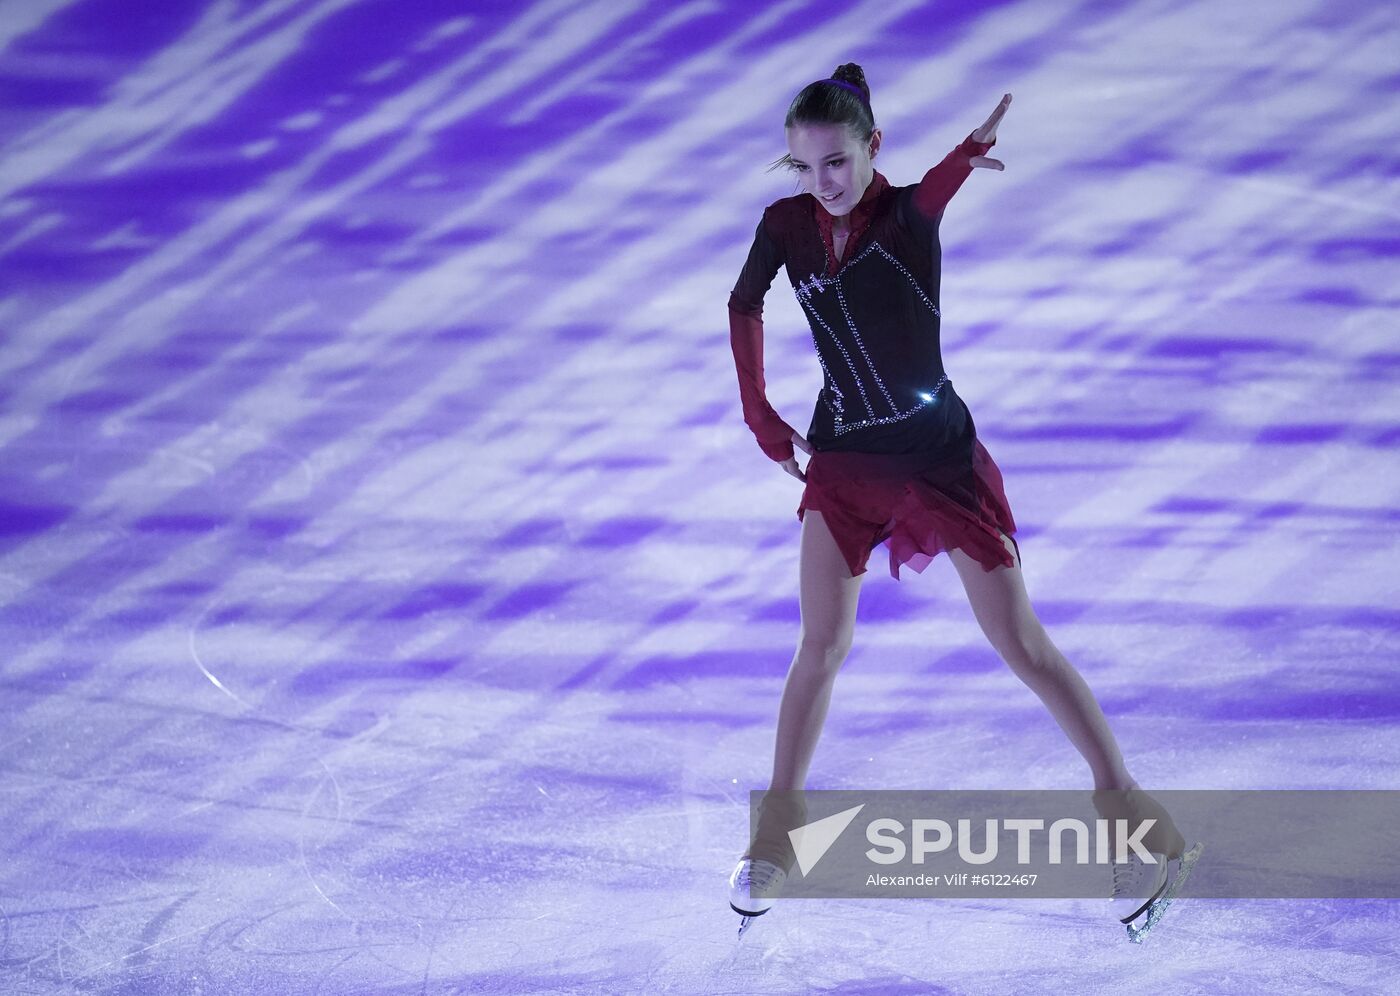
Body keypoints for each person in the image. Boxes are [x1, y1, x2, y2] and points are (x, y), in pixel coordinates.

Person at [724, 63, 1199, 942]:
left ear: (873, 147)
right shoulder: (784, 227)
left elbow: (933, 192)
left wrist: (967, 152)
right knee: (819, 645)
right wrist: (761, 413)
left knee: (1019, 642)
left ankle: (1133, 816)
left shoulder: (905, 218)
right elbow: (744, 299)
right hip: (844, 457)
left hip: (936, 455)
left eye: (838, 161)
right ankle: (778, 831)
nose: (823, 182)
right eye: (806, 167)